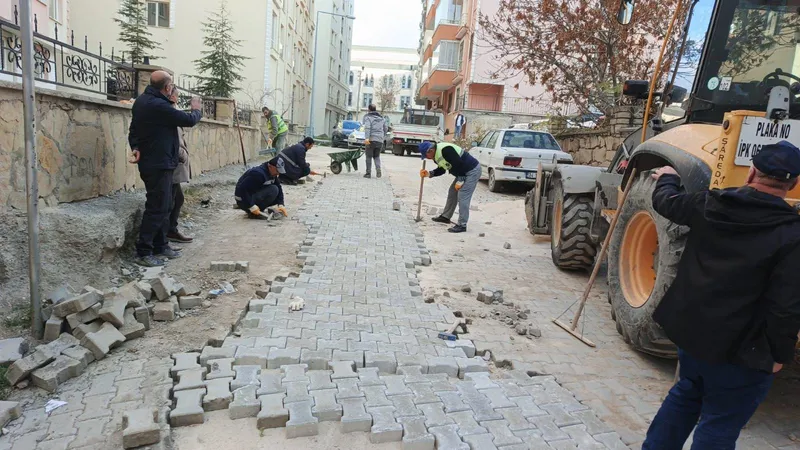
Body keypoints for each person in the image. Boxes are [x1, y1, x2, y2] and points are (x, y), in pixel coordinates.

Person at [643, 141, 800, 449]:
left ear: (751, 172)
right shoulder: (792, 233)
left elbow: (667, 202)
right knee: (720, 422)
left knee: (686, 394)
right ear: (793, 183)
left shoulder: (708, 203)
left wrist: (668, 176)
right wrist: (779, 355)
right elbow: (786, 305)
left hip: (694, 335)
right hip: (744, 351)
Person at [129, 70, 202, 267]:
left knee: (166, 204)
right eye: (171, 86)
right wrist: (196, 109)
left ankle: (161, 245)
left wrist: (135, 147)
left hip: (160, 161)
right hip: (157, 163)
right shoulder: (157, 105)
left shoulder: (142, 101)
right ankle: (144, 251)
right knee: (157, 207)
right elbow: (188, 120)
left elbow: (133, 130)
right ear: (167, 87)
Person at [418, 141, 481, 233]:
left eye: (426, 155)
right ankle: (446, 216)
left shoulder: (445, 150)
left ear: (430, 150)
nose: (427, 158)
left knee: (463, 195)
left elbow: (459, 163)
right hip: (463, 172)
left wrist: (460, 180)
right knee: (452, 192)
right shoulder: (436, 156)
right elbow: (442, 169)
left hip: (472, 171)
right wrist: (429, 174)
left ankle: (462, 225)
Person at [166, 86, 193, 244]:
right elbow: (174, 138)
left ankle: (171, 230)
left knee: (177, 198)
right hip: (172, 163)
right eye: (176, 96)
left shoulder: (170, 111)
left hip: (174, 161)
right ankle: (167, 233)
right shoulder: (169, 113)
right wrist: (181, 155)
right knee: (171, 201)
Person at [363, 104, 388, 178]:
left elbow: (367, 128)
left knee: (369, 156)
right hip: (380, 140)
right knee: (376, 156)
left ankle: (368, 173)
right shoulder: (382, 118)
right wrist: (382, 136)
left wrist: (367, 139)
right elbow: (385, 128)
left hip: (371, 139)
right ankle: (378, 169)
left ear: (369, 109)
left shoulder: (368, 118)